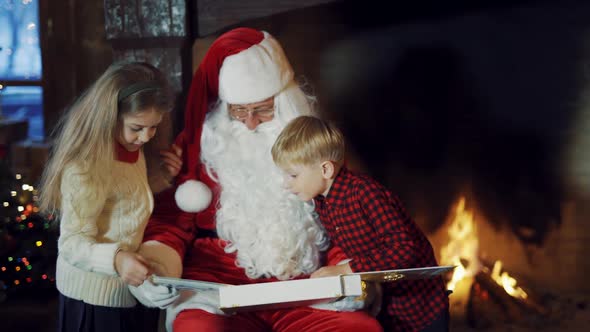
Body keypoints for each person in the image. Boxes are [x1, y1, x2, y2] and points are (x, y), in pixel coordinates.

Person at [129, 27, 384, 332]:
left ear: (286, 102)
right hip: (219, 291)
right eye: (239, 111)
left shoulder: (318, 149)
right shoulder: (200, 147)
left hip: (303, 290)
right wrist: (158, 267)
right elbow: (171, 223)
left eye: (262, 110)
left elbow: (348, 221)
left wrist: (345, 272)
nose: (249, 123)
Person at [271, 115, 450, 332]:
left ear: (326, 170)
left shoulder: (364, 193)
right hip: (387, 306)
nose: (286, 185)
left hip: (421, 307)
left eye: (293, 175)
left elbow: (404, 250)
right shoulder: (322, 202)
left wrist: (345, 268)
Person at [38, 61, 180, 332]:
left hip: (126, 292)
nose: (146, 137)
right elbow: (71, 244)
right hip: (92, 299)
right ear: (109, 117)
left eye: (154, 127)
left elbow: (124, 203)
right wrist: (116, 259)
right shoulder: (86, 167)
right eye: (137, 127)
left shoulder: (131, 148)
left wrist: (164, 175)